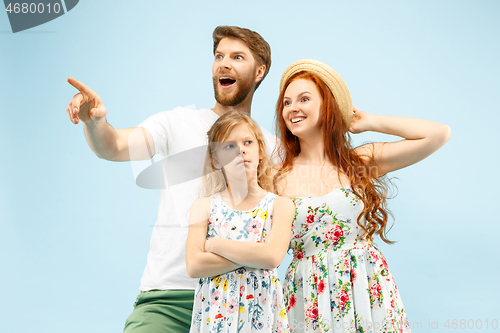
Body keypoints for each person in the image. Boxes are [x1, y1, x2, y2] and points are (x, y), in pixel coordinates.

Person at [64, 26, 276, 333]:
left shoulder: (271, 147)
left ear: (259, 71)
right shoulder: (178, 122)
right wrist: (94, 122)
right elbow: (113, 146)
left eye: (237, 57)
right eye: (219, 56)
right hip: (168, 298)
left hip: (241, 297)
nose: (224, 64)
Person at [273, 59, 451, 332]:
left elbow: (438, 134)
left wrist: (370, 122)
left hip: (366, 287)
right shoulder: (275, 178)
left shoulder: (359, 161)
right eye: (286, 102)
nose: (293, 108)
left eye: (304, 98)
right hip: (308, 294)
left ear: (327, 106)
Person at [186, 112, 294, 333]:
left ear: (260, 150)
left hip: (261, 316)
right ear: (215, 160)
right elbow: (195, 265)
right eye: (228, 146)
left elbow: (272, 257)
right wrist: (256, 256)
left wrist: (216, 246)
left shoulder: (280, 205)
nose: (241, 150)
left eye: (247, 142)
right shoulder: (204, 206)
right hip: (216, 317)